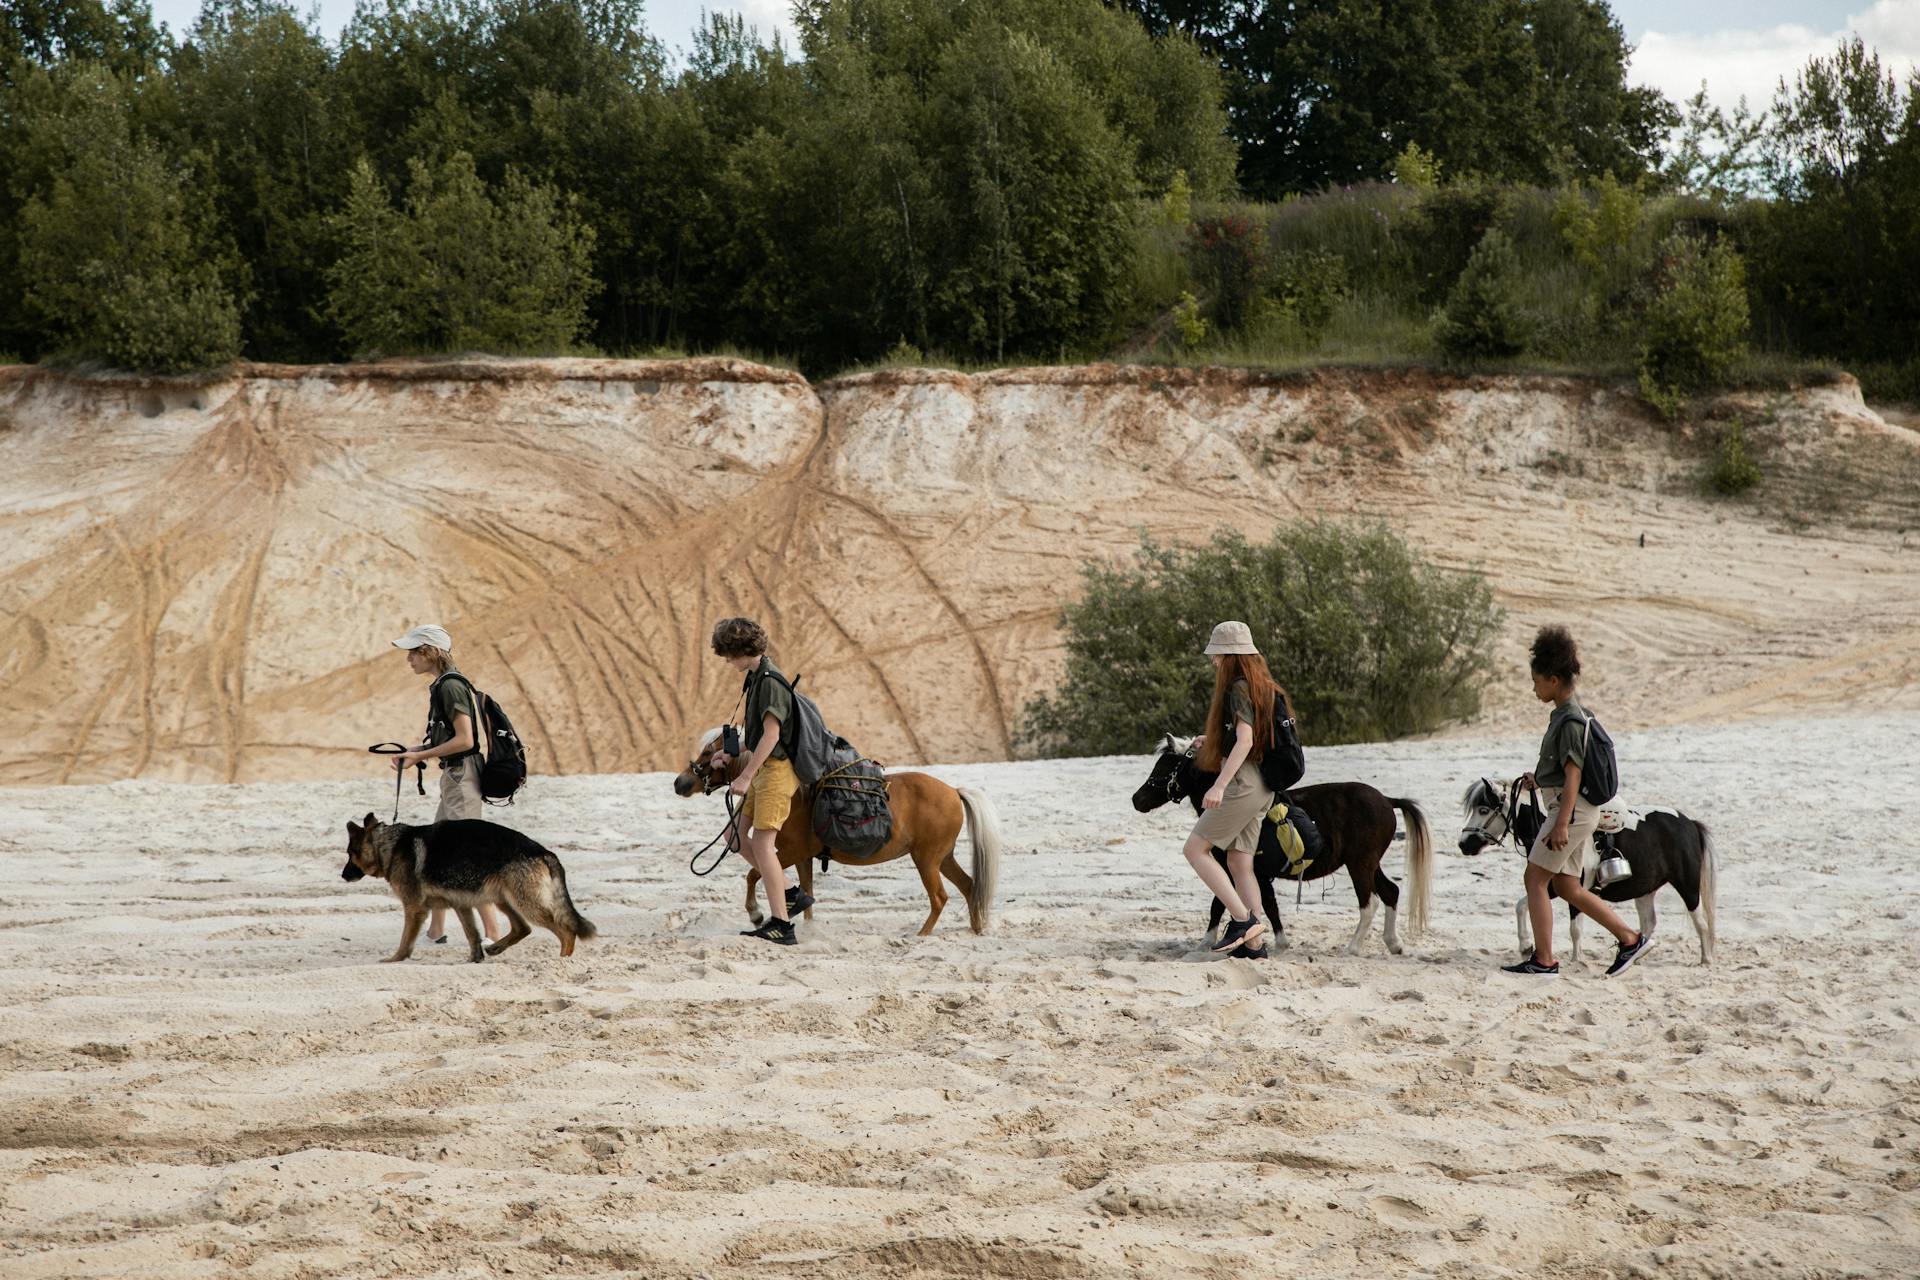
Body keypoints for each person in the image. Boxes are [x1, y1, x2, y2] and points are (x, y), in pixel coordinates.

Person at [1503, 626, 1653, 978]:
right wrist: (1538, 780)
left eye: (1537, 681)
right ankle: (1630, 939)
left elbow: (1574, 776)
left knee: (1535, 880)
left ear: (1554, 680)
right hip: (1573, 810)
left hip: (1570, 812)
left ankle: (1543, 960)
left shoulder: (1570, 720)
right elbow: (1565, 770)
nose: (1534, 688)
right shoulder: (1571, 714)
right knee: (1566, 886)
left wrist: (1559, 824)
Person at [390, 624, 506, 946]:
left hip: (461, 778)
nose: (409, 659)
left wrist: (420, 755)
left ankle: (494, 934)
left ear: (429, 652)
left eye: (413, 652)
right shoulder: (443, 685)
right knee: (439, 855)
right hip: (454, 777)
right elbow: (452, 737)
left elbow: (465, 739)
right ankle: (436, 930)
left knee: (464, 860)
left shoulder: (450, 687)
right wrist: (416, 751)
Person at [706, 617, 808, 946]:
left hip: (777, 771)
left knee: (763, 844)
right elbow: (757, 734)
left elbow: (773, 734)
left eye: (727, 655)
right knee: (734, 835)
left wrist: (746, 774)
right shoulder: (756, 676)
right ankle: (791, 893)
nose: (726, 661)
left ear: (739, 651)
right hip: (764, 769)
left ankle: (782, 926)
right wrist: (730, 757)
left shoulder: (770, 681)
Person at [1184, 621, 1275, 957]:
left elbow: (1246, 740)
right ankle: (1254, 947)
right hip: (1264, 785)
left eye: (1218, 655)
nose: (1214, 661)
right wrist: (1215, 741)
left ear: (1231, 656)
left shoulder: (1237, 688)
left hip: (1243, 783)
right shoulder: (1260, 684)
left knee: (1195, 850)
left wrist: (1219, 785)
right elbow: (1249, 736)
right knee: (1239, 862)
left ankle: (1242, 921)